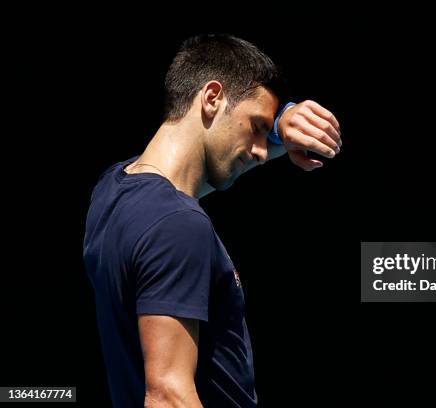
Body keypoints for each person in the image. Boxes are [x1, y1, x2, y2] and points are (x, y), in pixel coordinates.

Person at [83, 34, 341, 407]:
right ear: (212, 97)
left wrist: (279, 122)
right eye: (255, 126)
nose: (261, 151)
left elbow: (178, 198)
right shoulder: (177, 224)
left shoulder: (114, 187)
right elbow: (168, 397)